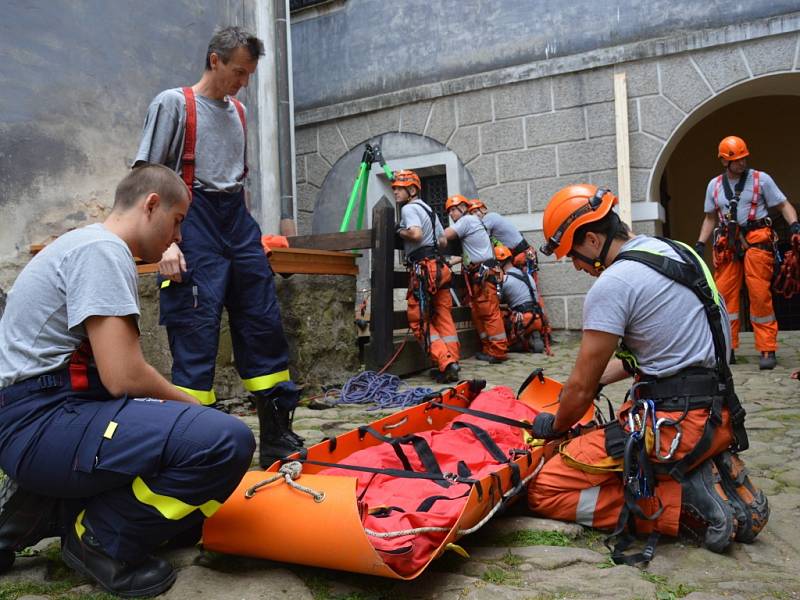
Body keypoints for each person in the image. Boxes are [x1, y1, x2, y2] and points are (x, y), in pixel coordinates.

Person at [0, 165, 255, 597]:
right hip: (43, 421)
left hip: (38, 415)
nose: (178, 237)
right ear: (151, 204)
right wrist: (189, 407)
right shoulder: (103, 249)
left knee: (177, 460)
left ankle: (42, 506)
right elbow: (123, 376)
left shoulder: (83, 244)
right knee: (222, 441)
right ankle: (99, 538)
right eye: (177, 222)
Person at [527, 184, 768, 564]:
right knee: (608, 456)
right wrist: (602, 381)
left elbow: (579, 385)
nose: (575, 265)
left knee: (546, 486)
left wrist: (557, 424)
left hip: (675, 425)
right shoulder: (678, 252)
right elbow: (671, 345)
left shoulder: (614, 283)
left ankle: (684, 505)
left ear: (592, 239)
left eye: (573, 255)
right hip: (718, 414)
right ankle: (705, 468)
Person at [134, 26, 302, 467]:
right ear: (215, 60)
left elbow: (237, 183)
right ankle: (194, 447)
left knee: (263, 325)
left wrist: (249, 241)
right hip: (192, 224)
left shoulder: (239, 113)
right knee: (196, 332)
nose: (242, 82)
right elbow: (145, 180)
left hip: (236, 225)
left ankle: (278, 438)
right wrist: (165, 245)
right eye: (238, 72)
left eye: (248, 75)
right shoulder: (175, 104)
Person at [694, 136, 800, 370]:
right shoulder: (715, 186)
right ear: (724, 161)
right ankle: (727, 348)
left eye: (744, 158)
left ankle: (767, 348)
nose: (742, 163)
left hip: (757, 240)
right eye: (736, 160)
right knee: (724, 298)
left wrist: (794, 226)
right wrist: (700, 243)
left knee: (760, 295)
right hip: (728, 244)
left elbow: (784, 205)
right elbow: (710, 217)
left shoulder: (761, 180)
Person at [393, 170, 460, 383]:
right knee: (443, 314)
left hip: (423, 269)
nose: (395, 191)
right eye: (394, 187)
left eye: (398, 188)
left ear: (412, 190)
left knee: (418, 320)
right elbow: (442, 241)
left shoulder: (409, 209)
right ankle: (452, 360)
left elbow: (415, 234)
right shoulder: (429, 210)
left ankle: (445, 361)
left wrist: (399, 231)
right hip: (439, 267)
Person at [438, 195, 508, 363]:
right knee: (479, 313)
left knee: (488, 312)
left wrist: (428, 233)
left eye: (454, 209)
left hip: (482, 273)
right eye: (450, 211)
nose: (452, 214)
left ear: (464, 208)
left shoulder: (467, 220)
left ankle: (498, 351)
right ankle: (488, 348)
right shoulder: (473, 222)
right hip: (479, 273)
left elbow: (445, 234)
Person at [493, 245, 548, 353]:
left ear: (499, 263)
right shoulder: (527, 275)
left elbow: (497, 300)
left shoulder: (504, 279)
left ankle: (515, 343)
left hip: (523, 320)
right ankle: (532, 337)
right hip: (538, 318)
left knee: (496, 314)